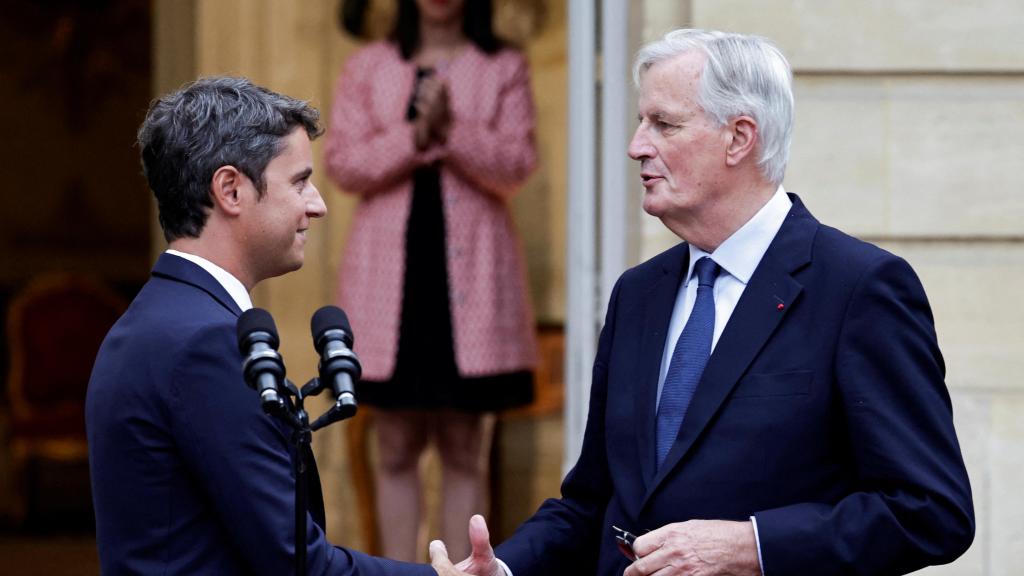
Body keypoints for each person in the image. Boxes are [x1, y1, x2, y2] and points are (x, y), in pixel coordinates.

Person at [449, 29, 975, 576]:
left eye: (664, 123)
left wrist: (753, 546)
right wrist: (504, 569)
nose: (636, 145)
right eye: (640, 121)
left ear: (739, 138)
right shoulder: (638, 293)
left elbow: (930, 511)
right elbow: (595, 503)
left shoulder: (859, 287)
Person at [85, 75, 473, 575]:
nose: (318, 204)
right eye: (298, 182)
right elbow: (297, 563)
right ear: (230, 189)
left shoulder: (157, 319)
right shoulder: (205, 343)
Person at [324, 0, 537, 562]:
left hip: (470, 286)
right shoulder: (368, 66)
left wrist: (453, 129)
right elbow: (343, 164)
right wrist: (415, 134)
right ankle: (398, 573)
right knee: (394, 446)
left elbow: (516, 164)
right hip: (389, 284)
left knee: (465, 446)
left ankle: (467, 573)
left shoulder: (502, 66)